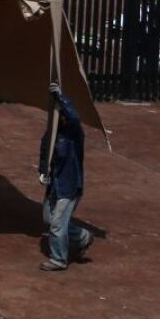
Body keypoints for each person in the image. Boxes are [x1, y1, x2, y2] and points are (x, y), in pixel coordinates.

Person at [39, 82, 91, 272]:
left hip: (69, 185)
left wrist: (62, 97)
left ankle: (58, 259)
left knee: (57, 226)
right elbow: (45, 152)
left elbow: (74, 117)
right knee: (48, 218)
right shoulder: (53, 134)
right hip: (55, 185)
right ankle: (82, 236)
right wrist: (43, 172)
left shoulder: (74, 134)